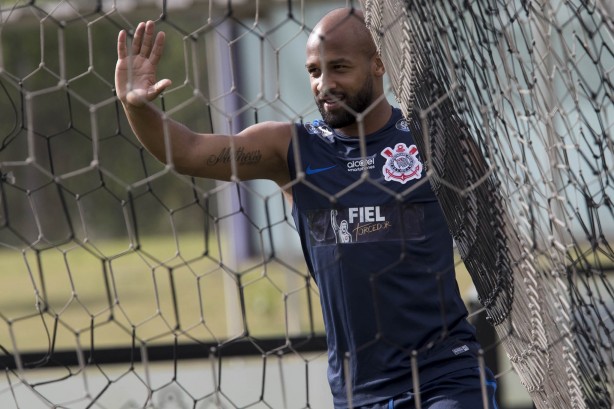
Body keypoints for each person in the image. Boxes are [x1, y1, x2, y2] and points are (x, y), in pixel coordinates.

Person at [115, 7, 499, 409]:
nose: (324, 84)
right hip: (359, 392)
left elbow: (493, 235)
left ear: (379, 64)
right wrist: (137, 107)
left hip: (447, 377)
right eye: (314, 71)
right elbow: (190, 152)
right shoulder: (291, 150)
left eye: (339, 68)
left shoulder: (434, 143)